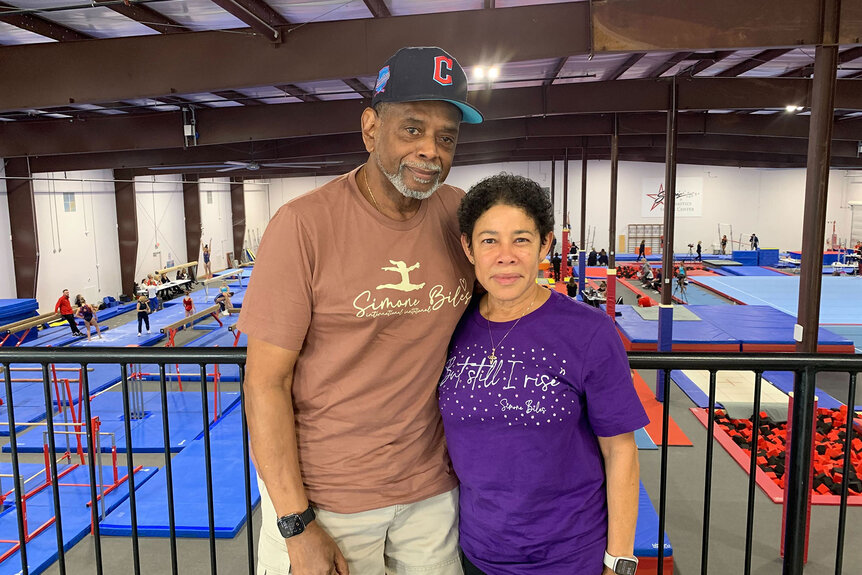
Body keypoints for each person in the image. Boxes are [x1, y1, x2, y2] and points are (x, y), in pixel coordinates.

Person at [236, 46, 483, 575]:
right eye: (411, 129)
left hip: (430, 494)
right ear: (371, 128)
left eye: (446, 137)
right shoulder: (304, 226)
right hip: (328, 500)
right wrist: (295, 524)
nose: (430, 151)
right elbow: (265, 383)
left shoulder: (460, 215)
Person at [442, 173, 648, 575]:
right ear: (468, 247)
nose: (506, 256)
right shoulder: (452, 326)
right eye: (489, 241)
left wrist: (619, 561)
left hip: (568, 557)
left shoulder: (588, 331)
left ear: (545, 244)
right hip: (475, 553)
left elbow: (620, 450)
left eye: (521, 239)